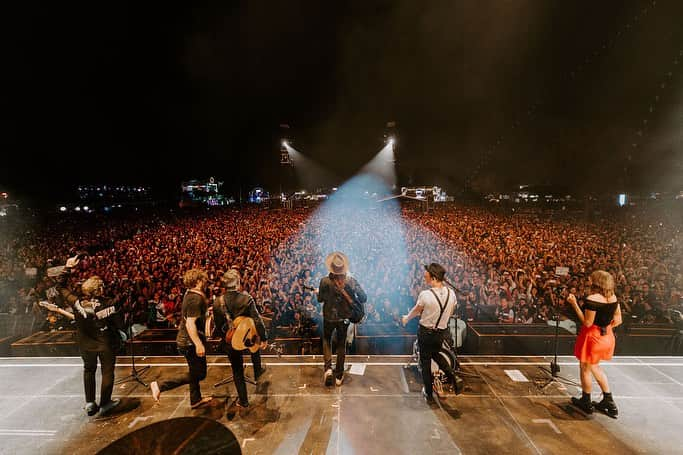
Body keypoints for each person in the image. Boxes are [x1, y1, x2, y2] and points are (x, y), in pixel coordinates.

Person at [52, 255, 125, 416]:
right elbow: (119, 322)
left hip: (85, 344)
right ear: (99, 289)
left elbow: (60, 287)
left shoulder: (77, 303)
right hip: (105, 344)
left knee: (89, 370)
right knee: (107, 372)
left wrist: (68, 268)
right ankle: (105, 403)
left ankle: (90, 403)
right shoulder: (110, 304)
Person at [150, 269, 212, 409]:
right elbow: (190, 323)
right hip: (190, 342)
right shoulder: (195, 299)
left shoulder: (190, 294)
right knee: (199, 374)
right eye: (203, 280)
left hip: (187, 340)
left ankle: (195, 399)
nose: (205, 282)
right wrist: (198, 344)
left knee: (193, 370)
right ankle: (160, 385)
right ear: (197, 281)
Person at [401, 263, 458, 405]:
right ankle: (451, 375)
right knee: (436, 353)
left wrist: (406, 319)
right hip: (441, 333)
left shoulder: (426, 295)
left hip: (426, 333)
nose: (423, 275)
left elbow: (416, 310)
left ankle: (429, 394)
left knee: (425, 362)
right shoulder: (451, 294)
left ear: (433, 277)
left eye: (426, 273)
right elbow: (451, 311)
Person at [568, 270, 622, 418]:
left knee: (585, 368)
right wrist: (604, 327)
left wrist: (574, 304)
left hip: (592, 337)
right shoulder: (613, 297)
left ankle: (586, 401)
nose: (588, 281)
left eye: (591, 279)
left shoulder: (592, 298)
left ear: (597, 282)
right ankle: (608, 401)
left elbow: (587, 322)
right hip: (607, 336)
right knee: (595, 367)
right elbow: (618, 320)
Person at [210, 269, 268, 408]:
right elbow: (257, 321)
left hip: (231, 341)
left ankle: (244, 401)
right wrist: (264, 338)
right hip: (247, 336)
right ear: (237, 283)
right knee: (255, 343)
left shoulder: (218, 302)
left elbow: (219, 327)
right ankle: (257, 370)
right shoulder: (246, 298)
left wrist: (227, 337)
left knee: (237, 370)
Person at [317, 252, 366, 387]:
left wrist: (322, 293)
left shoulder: (324, 281)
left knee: (327, 340)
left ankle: (327, 369)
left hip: (329, 317)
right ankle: (339, 375)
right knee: (341, 344)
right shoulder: (350, 280)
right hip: (344, 318)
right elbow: (363, 297)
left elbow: (320, 299)